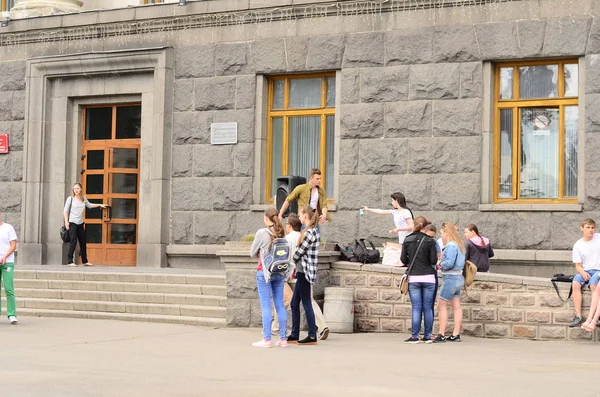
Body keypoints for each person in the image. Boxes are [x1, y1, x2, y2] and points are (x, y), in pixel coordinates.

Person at [272, 214, 329, 340]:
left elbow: (293, 254)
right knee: (296, 302)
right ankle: (316, 328)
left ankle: (309, 334)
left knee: (298, 301)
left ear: (290, 225)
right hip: (299, 271)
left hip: (297, 272)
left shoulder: (303, 235)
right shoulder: (303, 234)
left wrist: (289, 264)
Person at [249, 208, 288, 348]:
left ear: (266, 218)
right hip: (279, 271)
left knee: (266, 305)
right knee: (279, 304)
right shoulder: (281, 231)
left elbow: (251, 252)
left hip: (265, 272)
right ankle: (283, 339)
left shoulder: (262, 232)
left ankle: (267, 339)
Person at [401, 217, 438, 343]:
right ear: (425, 226)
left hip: (414, 277)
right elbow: (433, 261)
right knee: (428, 307)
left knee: (416, 307)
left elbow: (403, 260)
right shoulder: (430, 241)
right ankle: (428, 335)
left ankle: (415, 336)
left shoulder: (407, 239)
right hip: (429, 277)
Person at [288, 206, 320, 345]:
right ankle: (295, 334)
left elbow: (300, 251)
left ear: (306, 216)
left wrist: (292, 260)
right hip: (303, 270)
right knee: (294, 303)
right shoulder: (310, 231)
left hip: (304, 271)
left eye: (301, 215)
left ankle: (312, 335)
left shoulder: (309, 233)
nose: (299, 218)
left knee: (306, 303)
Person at [434, 222, 466, 343]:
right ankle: (455, 334)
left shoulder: (451, 246)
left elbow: (449, 263)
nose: (441, 236)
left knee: (441, 305)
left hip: (450, 279)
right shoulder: (460, 245)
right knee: (456, 306)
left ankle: (441, 334)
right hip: (458, 277)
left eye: (442, 233)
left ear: (447, 232)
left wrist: (439, 265)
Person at [63, 183, 107, 267]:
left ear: (81, 189)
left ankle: (85, 261)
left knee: (83, 242)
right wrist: (66, 221)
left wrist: (100, 205)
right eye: (75, 189)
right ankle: (70, 261)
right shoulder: (70, 199)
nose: (76, 190)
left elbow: (89, 205)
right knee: (73, 241)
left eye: (78, 188)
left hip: (80, 223)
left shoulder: (83, 198)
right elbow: (65, 211)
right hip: (72, 223)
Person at [568, 218, 600, 328]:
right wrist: (583, 273)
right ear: (581, 228)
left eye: (592, 228)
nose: (591, 230)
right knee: (576, 283)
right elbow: (578, 265)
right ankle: (578, 316)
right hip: (585, 269)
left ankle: (597, 316)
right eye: (588, 227)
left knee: (593, 285)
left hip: (598, 270)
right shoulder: (578, 245)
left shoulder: (598, 238)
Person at [0, 213, 18, 325]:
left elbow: (13, 245)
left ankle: (11, 314)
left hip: (7, 263)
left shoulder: (8, 228)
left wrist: (5, 256)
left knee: (8, 289)